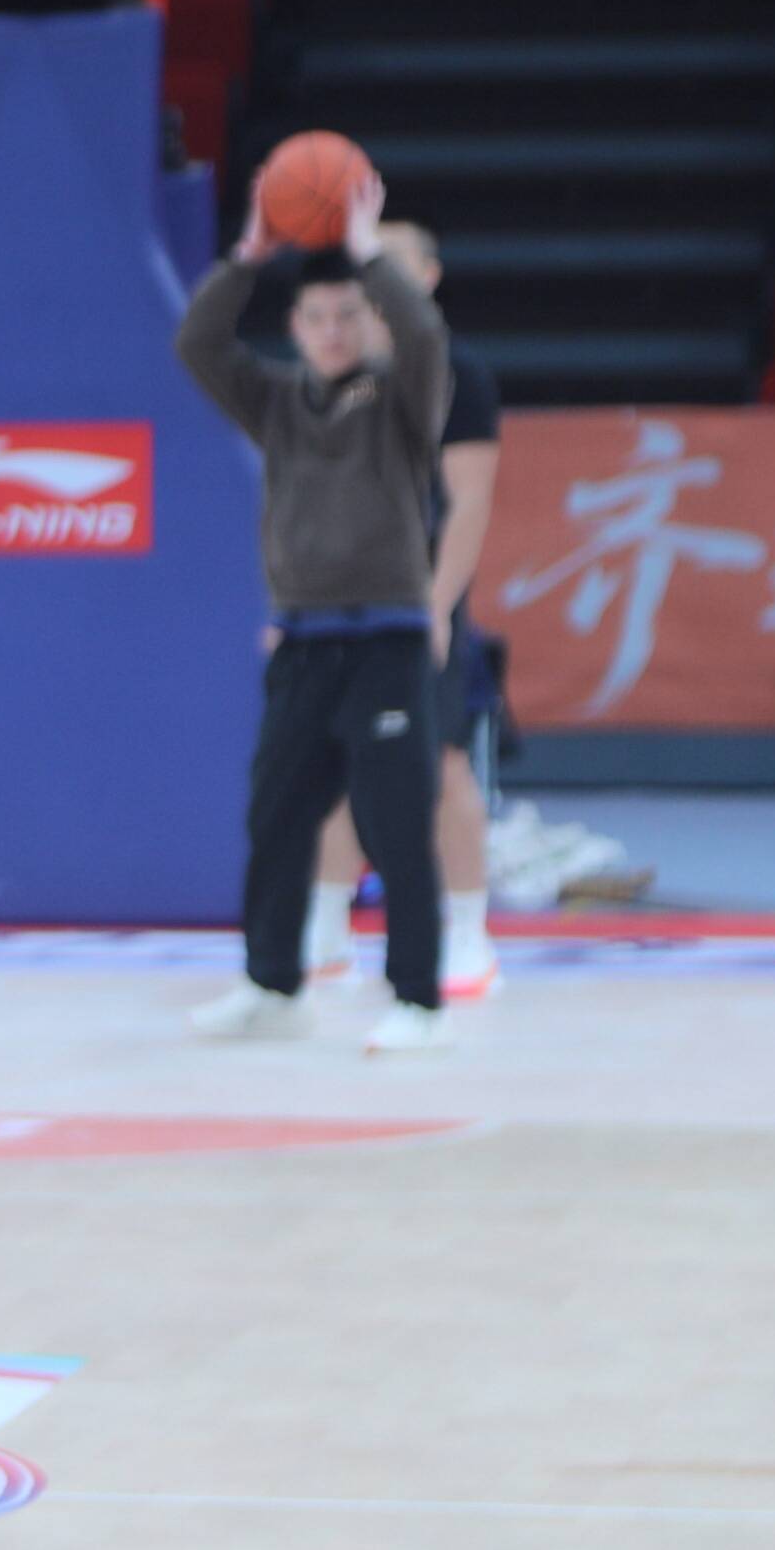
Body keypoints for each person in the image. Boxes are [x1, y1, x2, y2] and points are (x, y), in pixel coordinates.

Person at [176, 168, 457, 1054]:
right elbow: (197, 341)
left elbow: (424, 334)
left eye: (347, 316)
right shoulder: (274, 403)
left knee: (394, 825)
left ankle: (418, 1000)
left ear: (368, 322)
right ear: (294, 329)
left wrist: (370, 256)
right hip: (301, 644)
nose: (332, 331)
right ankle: (271, 986)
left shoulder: (402, 401)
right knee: (276, 818)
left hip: (386, 643)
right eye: (315, 318)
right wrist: (249, 257)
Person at [306, 217, 499, 1001]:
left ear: (428, 277)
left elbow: (469, 502)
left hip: (420, 599)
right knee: (334, 765)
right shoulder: (335, 371)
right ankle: (323, 932)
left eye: (394, 263)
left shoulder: (457, 373)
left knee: (441, 764)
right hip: (339, 600)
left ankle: (471, 934)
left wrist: (440, 606)